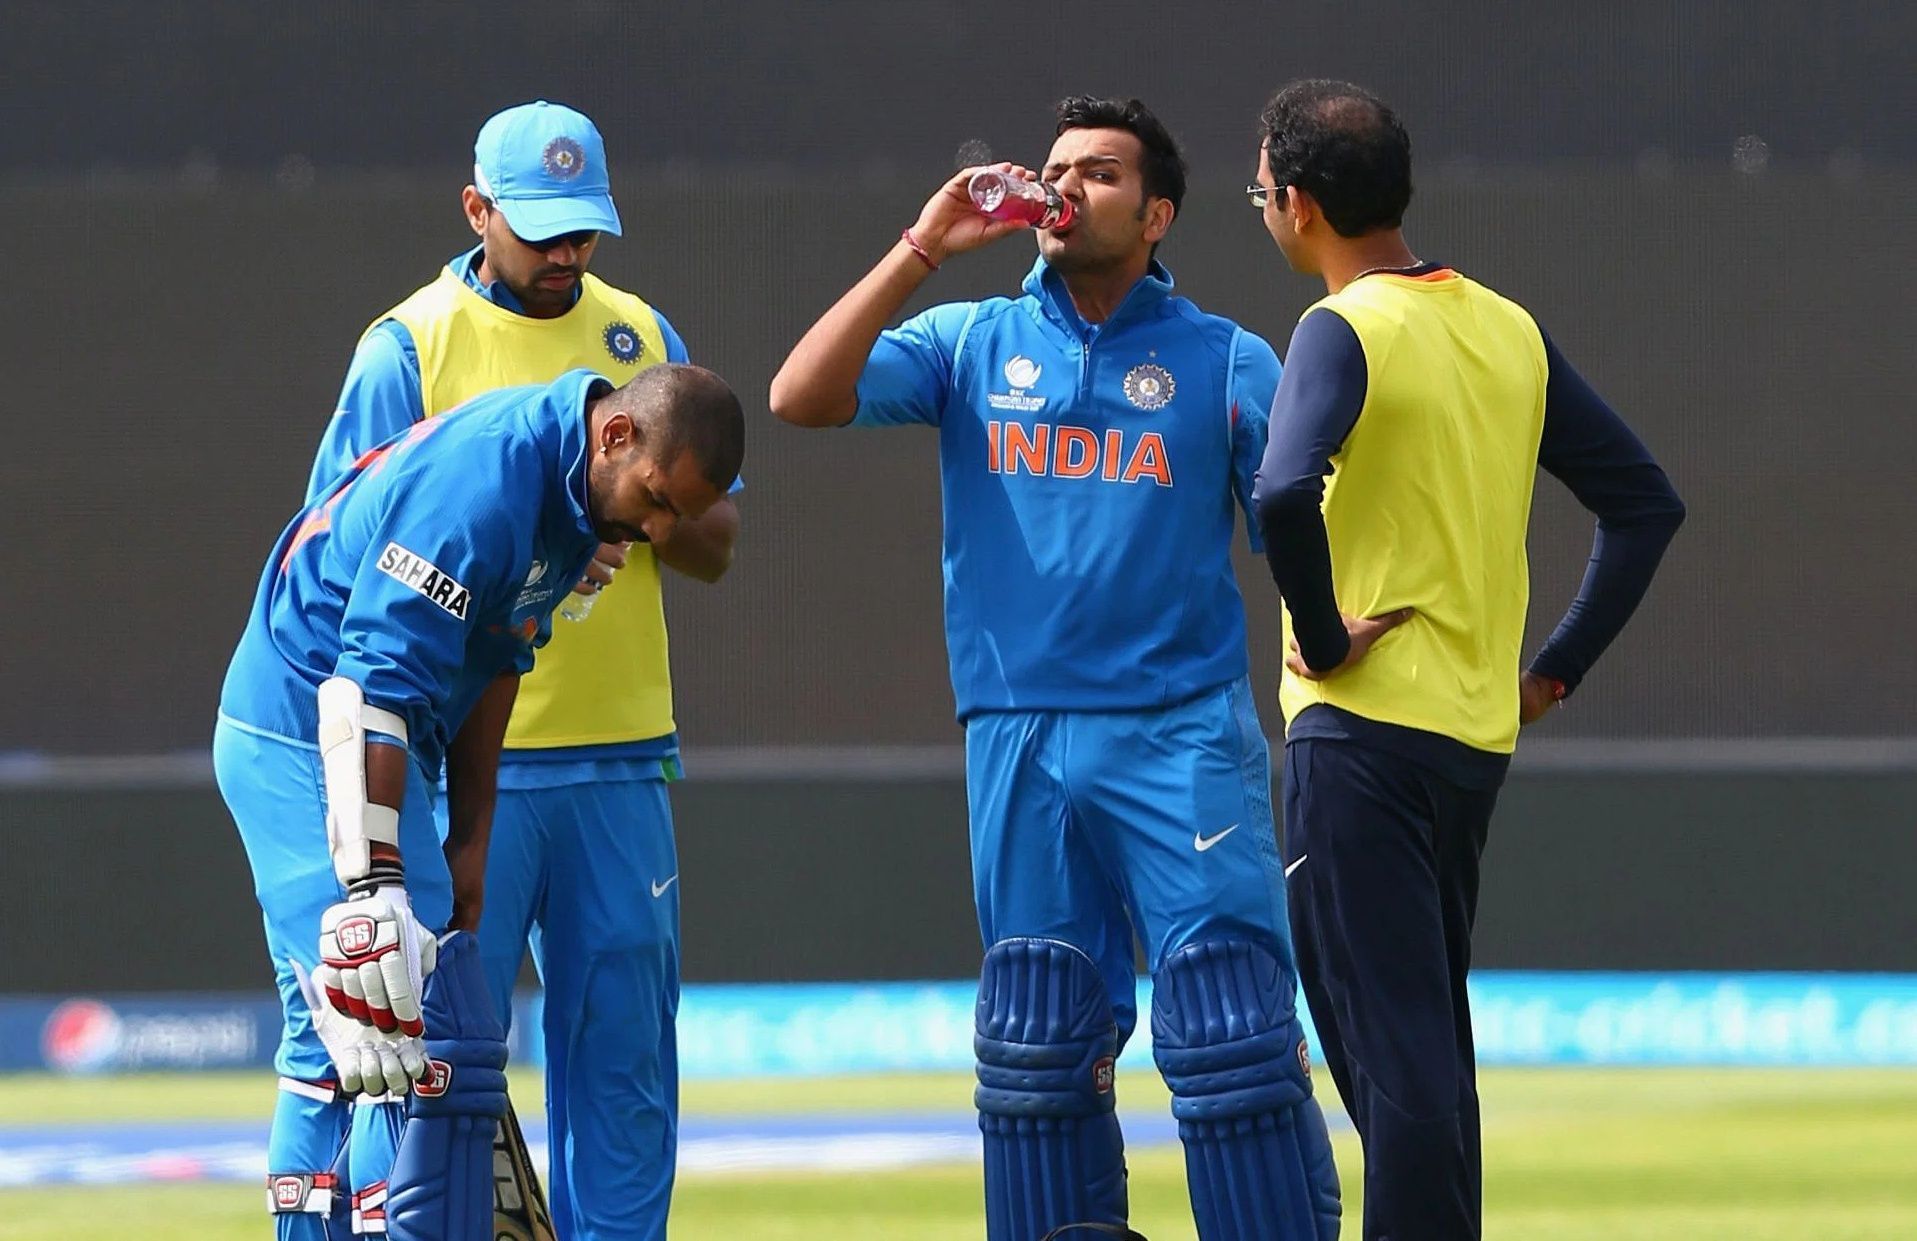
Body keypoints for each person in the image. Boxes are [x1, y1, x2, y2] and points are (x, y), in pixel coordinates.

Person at [771, 95, 1341, 1241]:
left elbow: (1306, 522)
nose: (1064, 187)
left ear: (1160, 212)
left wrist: (1331, 632)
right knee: (1036, 1046)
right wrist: (925, 243)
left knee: (1229, 1034)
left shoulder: (1226, 357)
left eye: (1100, 173)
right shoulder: (971, 341)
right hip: (1017, 734)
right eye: (1053, 169)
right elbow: (801, 394)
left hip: (1178, 732)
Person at [1247, 79, 1686, 1241]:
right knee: (1428, 1053)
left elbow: (1282, 490)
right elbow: (1644, 504)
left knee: (1396, 1066)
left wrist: (1327, 636)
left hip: (1359, 746)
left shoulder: (1342, 326)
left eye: (1261, 191)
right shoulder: (1506, 326)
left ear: (1295, 203)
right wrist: (1554, 671)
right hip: (1467, 750)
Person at [307, 101, 741, 1240]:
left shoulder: (640, 334)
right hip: (456, 765)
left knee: (626, 1070)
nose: (566, 256)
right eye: (540, 230)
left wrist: (637, 521)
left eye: (584, 231)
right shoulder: (409, 344)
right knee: (420, 1060)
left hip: (617, 755)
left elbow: (715, 537)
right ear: (476, 210)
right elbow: (336, 545)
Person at [217, 365, 744, 1241]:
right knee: (397, 1017)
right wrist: (376, 883)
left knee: (340, 1035)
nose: (655, 530)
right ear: (617, 436)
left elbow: (497, 664)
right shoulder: (487, 481)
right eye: (655, 499)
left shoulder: (578, 494)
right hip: (304, 727)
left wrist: (470, 843)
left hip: (374, 738)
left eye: (673, 517)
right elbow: (370, 688)